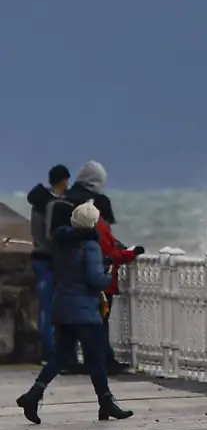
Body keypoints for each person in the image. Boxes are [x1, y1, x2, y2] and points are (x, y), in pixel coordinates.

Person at [14, 200, 133, 424]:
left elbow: (71, 271)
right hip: (84, 312)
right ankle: (106, 403)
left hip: (63, 306)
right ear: (93, 223)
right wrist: (108, 272)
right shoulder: (89, 246)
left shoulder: (62, 243)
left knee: (60, 357)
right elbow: (95, 280)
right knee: (96, 358)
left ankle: (33, 395)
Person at [49, 161, 139, 375]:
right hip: (91, 279)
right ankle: (102, 363)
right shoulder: (96, 208)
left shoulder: (62, 201)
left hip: (64, 271)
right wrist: (123, 257)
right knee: (98, 322)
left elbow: (55, 236)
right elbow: (105, 248)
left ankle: (64, 362)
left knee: (68, 326)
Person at [25, 165, 69, 369]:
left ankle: (48, 352)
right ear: (62, 180)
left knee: (45, 307)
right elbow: (50, 233)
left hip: (38, 256)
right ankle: (52, 353)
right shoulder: (50, 204)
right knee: (49, 308)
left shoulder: (38, 201)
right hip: (48, 258)